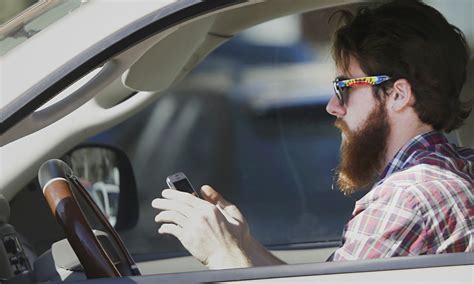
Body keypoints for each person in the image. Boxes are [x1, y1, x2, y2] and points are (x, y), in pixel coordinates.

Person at [151, 0, 473, 269]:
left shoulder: (406, 200)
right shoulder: (454, 169)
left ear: (398, 95)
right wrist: (243, 244)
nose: (333, 106)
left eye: (344, 87)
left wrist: (221, 252)